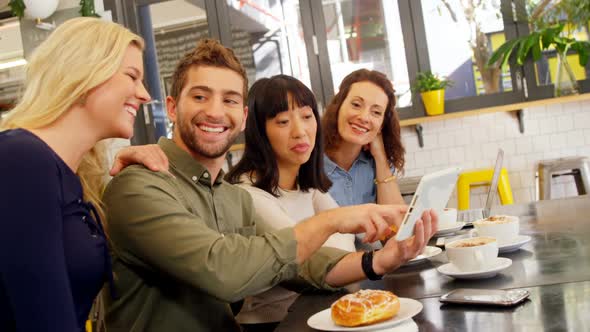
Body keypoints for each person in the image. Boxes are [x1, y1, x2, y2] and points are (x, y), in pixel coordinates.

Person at [102, 39, 437, 331]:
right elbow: (224, 271)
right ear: (172, 108)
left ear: (244, 117)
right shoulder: (139, 184)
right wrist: (332, 221)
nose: (216, 112)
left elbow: (298, 265)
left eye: (230, 100)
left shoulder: (230, 197)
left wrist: (381, 261)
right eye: (201, 96)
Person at [0, 17, 155, 332]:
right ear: (86, 73)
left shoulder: (64, 172)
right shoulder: (21, 159)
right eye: (132, 76)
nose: (144, 95)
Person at [226, 75, 354, 328]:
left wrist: (333, 228)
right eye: (283, 121)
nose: (300, 131)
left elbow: (345, 242)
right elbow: (315, 263)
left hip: (315, 310)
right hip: (272, 324)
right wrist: (332, 227)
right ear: (260, 133)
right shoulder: (248, 194)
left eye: (307, 117)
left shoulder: (306, 184)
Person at [322, 69, 406, 249]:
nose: (364, 117)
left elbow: (399, 234)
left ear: (382, 124)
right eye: (356, 105)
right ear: (338, 106)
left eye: (376, 112)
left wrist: (380, 155)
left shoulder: (375, 164)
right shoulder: (310, 163)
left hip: (375, 268)